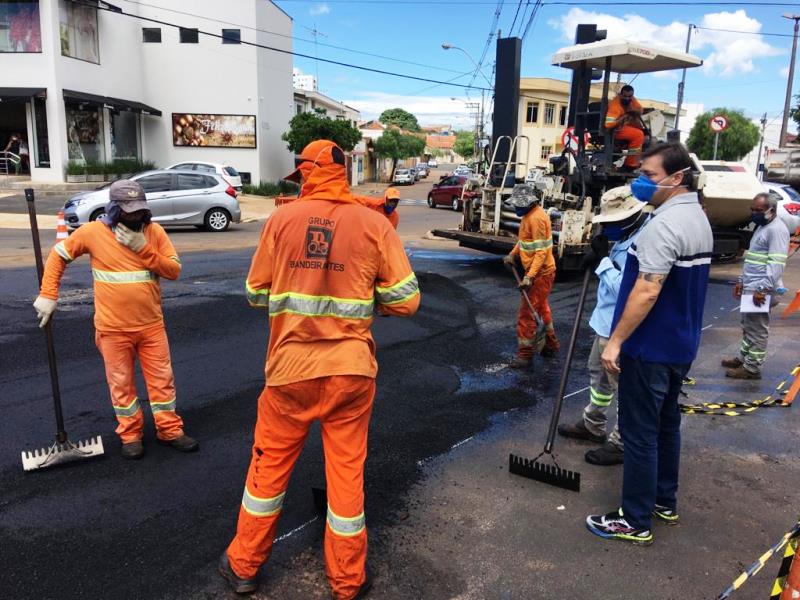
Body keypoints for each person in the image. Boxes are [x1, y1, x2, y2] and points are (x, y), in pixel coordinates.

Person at [219, 140, 420, 598]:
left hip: (290, 372)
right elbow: (407, 301)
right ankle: (347, 582)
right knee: (346, 474)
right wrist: (367, 298)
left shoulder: (281, 220)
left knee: (267, 474)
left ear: (308, 173)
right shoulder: (374, 225)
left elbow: (254, 293)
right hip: (351, 372)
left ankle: (244, 565)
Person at [586, 142, 712, 545]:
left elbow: (647, 290)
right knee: (666, 425)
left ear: (677, 178)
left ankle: (635, 520)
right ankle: (663, 501)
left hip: (650, 348)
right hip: (680, 344)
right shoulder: (697, 218)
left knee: (639, 433)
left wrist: (616, 342)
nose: (641, 182)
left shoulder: (663, 226)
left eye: (650, 175)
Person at [33, 180, 198, 459]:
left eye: (138, 211)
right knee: (121, 384)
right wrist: (48, 294)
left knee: (162, 382)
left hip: (151, 326)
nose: (134, 216)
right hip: (112, 329)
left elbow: (173, 270)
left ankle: (169, 429)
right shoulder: (93, 233)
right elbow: (58, 256)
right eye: (128, 211)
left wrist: (143, 248)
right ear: (113, 209)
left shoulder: (154, 233)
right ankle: (131, 434)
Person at [557, 186, 648, 466]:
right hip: (604, 324)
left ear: (631, 217)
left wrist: (603, 261)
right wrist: (602, 255)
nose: (608, 229)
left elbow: (627, 290)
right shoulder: (625, 237)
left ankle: (621, 442)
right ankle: (593, 424)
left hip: (621, 328)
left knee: (623, 386)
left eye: (612, 224)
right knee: (597, 375)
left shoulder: (643, 242)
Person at [722, 192, 789, 380]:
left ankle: (752, 368)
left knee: (757, 328)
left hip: (760, 288)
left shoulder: (777, 230)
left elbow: (776, 265)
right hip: (752, 285)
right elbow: (753, 260)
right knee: (748, 324)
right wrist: (741, 281)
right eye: (752, 209)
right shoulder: (762, 226)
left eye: (758, 210)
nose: (754, 213)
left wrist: (762, 289)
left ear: (771, 210)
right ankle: (744, 358)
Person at [502, 184, 559, 367]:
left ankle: (525, 355)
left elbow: (541, 252)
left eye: (518, 205)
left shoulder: (537, 219)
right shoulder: (528, 215)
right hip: (538, 273)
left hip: (541, 274)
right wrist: (513, 253)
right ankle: (550, 345)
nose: (515, 208)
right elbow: (525, 241)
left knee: (526, 314)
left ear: (528, 203)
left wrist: (530, 277)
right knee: (542, 309)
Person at [605, 85, 645, 170]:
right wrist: (623, 118)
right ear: (620, 94)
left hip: (623, 126)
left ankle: (635, 160)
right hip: (614, 131)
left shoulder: (632, 100)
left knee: (643, 132)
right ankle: (631, 164)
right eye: (624, 96)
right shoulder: (615, 106)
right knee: (638, 135)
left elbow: (640, 110)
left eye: (629, 96)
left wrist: (633, 111)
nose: (627, 98)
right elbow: (608, 124)